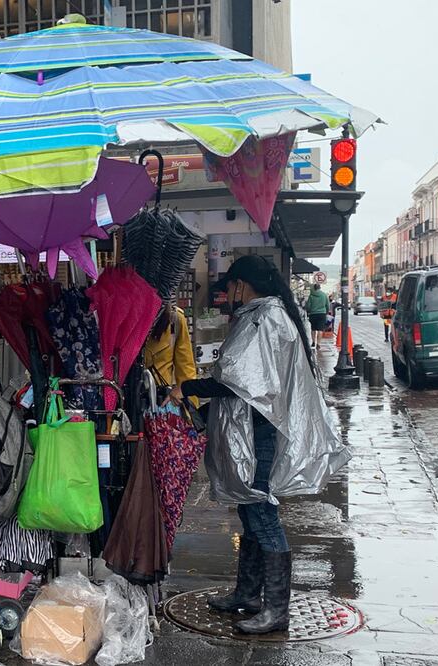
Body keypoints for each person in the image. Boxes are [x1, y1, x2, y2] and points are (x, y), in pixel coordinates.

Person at [165, 255, 349, 635]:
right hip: (258, 428)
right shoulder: (268, 315)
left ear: (241, 285)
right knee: (251, 513)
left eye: (230, 287)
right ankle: (247, 594)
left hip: (258, 431)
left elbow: (238, 382)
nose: (229, 295)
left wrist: (188, 387)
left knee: (262, 514)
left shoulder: (263, 319)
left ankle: (275, 610)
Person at [144, 302, 197, 405]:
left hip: (161, 401)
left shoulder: (175, 320)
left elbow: (185, 370)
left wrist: (191, 410)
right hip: (125, 400)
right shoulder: (123, 313)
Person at [303, 283, 329, 349]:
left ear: (314, 288)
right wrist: (327, 312)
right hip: (322, 314)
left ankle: (313, 342)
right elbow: (327, 305)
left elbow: (308, 306)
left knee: (313, 329)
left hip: (313, 314)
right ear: (320, 288)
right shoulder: (324, 295)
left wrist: (308, 310)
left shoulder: (311, 296)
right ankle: (318, 343)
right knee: (320, 329)